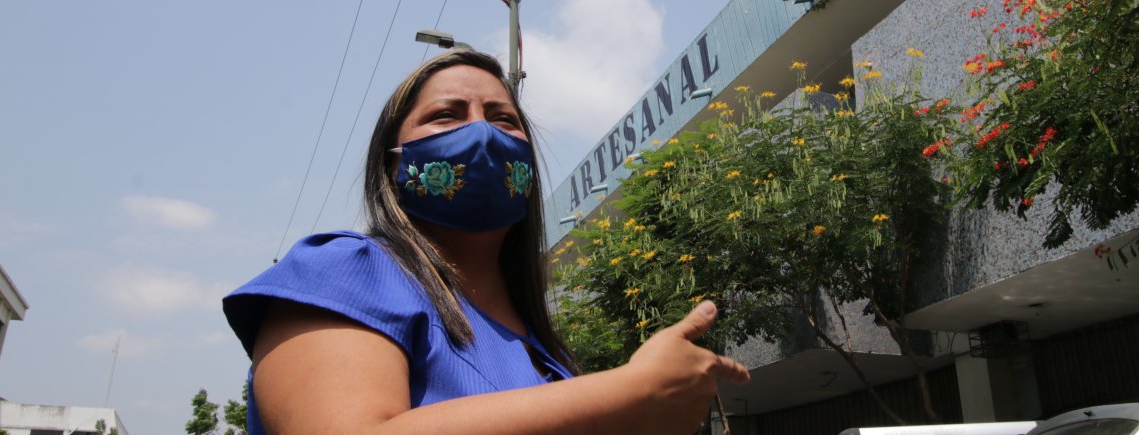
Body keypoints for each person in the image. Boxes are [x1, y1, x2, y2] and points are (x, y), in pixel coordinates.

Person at [223, 49, 749, 434]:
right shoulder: (345, 270)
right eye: (447, 115)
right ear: (393, 160)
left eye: (503, 119)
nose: (483, 134)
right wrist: (629, 391)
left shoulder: (548, 357)